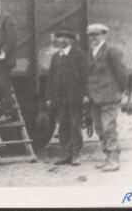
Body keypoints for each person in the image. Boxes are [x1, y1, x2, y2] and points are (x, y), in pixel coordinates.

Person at [86, 23, 128, 172]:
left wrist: (121, 91)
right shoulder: (91, 52)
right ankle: (107, 157)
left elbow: (121, 72)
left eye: (97, 35)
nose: (94, 38)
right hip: (95, 98)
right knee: (100, 129)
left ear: (104, 35)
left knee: (109, 128)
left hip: (109, 97)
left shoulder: (111, 51)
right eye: (91, 35)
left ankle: (114, 160)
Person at [46, 28, 88, 166]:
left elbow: (86, 76)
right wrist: (49, 97)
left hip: (75, 97)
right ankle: (66, 154)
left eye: (66, 37)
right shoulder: (56, 57)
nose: (62, 40)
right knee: (62, 126)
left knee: (75, 125)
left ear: (71, 40)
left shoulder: (79, 55)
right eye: (59, 37)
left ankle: (76, 154)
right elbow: (50, 79)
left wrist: (87, 94)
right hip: (60, 99)